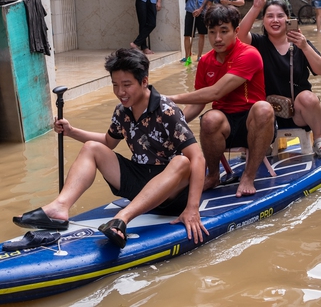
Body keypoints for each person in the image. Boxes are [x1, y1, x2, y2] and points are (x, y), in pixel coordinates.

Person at [13, 48, 208, 248]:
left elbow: (198, 158)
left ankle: (122, 218)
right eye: (115, 85)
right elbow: (107, 142)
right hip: (140, 183)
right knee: (92, 148)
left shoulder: (167, 109)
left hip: (172, 192)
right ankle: (59, 208)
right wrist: (71, 131)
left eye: (126, 85)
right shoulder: (122, 112)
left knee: (182, 161)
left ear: (144, 81)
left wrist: (192, 208)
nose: (120, 92)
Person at [168, 4, 275, 198]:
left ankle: (248, 176)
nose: (217, 38)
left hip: (253, 124)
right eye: (212, 32)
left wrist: (171, 98)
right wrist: (173, 122)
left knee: (264, 109)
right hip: (224, 126)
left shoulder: (249, 54)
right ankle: (213, 175)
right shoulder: (205, 61)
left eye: (224, 31)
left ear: (236, 31)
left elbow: (215, 92)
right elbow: (198, 102)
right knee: (209, 118)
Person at [238, 0, 321, 158]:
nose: (275, 20)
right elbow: (239, 35)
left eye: (280, 16)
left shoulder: (300, 43)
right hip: (266, 113)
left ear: (288, 20)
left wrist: (304, 46)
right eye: (270, 16)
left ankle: (318, 137)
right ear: (263, 21)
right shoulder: (258, 43)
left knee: (308, 97)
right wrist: (256, 7)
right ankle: (260, 142)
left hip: (297, 113)